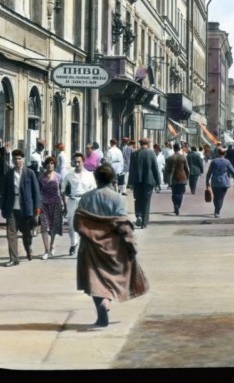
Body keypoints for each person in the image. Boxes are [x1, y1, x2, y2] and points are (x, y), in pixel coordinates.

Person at [74, 164, 149, 328]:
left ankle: (101, 307)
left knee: (95, 280)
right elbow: (123, 225)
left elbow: (77, 223)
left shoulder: (86, 198)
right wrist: (131, 245)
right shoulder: (118, 199)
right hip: (113, 247)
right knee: (112, 278)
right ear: (112, 179)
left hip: (90, 247)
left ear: (96, 179)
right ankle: (107, 302)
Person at [1, 149, 41, 266]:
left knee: (27, 234)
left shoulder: (30, 173)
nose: (17, 161)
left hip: (26, 208)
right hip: (12, 208)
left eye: (19, 159)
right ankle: (14, 259)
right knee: (11, 234)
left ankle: (28, 249)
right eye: (15, 159)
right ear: (12, 160)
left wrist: (37, 209)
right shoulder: (9, 174)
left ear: (23, 160)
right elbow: (4, 192)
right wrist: (3, 208)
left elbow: (36, 192)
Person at [61, 152, 96, 255]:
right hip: (73, 201)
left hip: (84, 201)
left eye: (79, 162)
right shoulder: (69, 175)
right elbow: (63, 189)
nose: (77, 164)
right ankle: (73, 244)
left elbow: (94, 189)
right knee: (72, 224)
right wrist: (67, 197)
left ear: (83, 162)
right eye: (75, 162)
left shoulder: (89, 175)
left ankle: (83, 245)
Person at [37, 156, 67, 259]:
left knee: (54, 227)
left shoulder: (58, 177)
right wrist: (37, 207)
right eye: (48, 163)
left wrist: (65, 205)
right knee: (44, 227)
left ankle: (52, 244)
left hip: (56, 204)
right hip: (44, 205)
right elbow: (38, 193)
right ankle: (46, 251)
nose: (50, 165)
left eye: (52, 163)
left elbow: (62, 192)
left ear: (54, 165)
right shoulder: (41, 178)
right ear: (45, 165)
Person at [127, 138, 160, 228]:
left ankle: (139, 215)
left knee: (138, 199)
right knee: (146, 201)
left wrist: (130, 183)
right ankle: (144, 223)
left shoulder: (134, 154)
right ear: (148, 144)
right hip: (149, 181)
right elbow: (155, 169)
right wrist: (158, 183)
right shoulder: (151, 154)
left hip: (137, 180)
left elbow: (131, 170)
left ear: (140, 144)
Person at [205, 147, 234, 218]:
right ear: (225, 153)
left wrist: (207, 181)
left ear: (218, 153)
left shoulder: (213, 161)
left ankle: (216, 209)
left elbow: (209, 173)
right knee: (220, 198)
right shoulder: (227, 162)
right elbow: (233, 172)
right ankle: (217, 212)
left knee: (216, 197)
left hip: (215, 181)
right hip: (224, 182)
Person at [165, 142, 190, 215]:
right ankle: (178, 205)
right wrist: (187, 178)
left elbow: (167, 170)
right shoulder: (183, 157)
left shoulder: (170, 158)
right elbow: (187, 169)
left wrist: (166, 179)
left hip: (173, 178)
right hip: (182, 178)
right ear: (179, 148)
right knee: (181, 193)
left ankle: (175, 205)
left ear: (174, 148)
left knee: (174, 193)